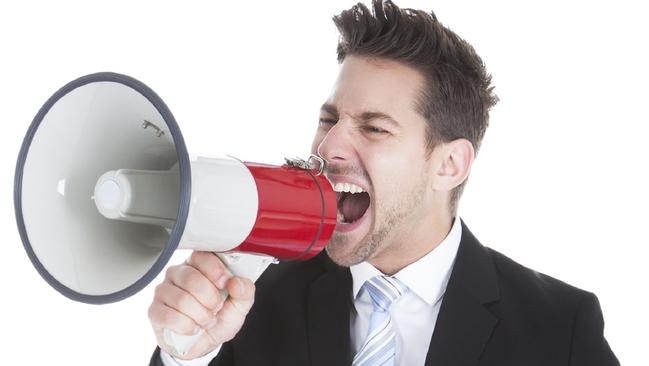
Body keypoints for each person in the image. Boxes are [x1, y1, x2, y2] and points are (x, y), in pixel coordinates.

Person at [148, 1, 619, 365]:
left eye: (374, 128)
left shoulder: (560, 327)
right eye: (328, 118)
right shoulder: (256, 301)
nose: (329, 146)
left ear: (450, 164)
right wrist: (186, 353)